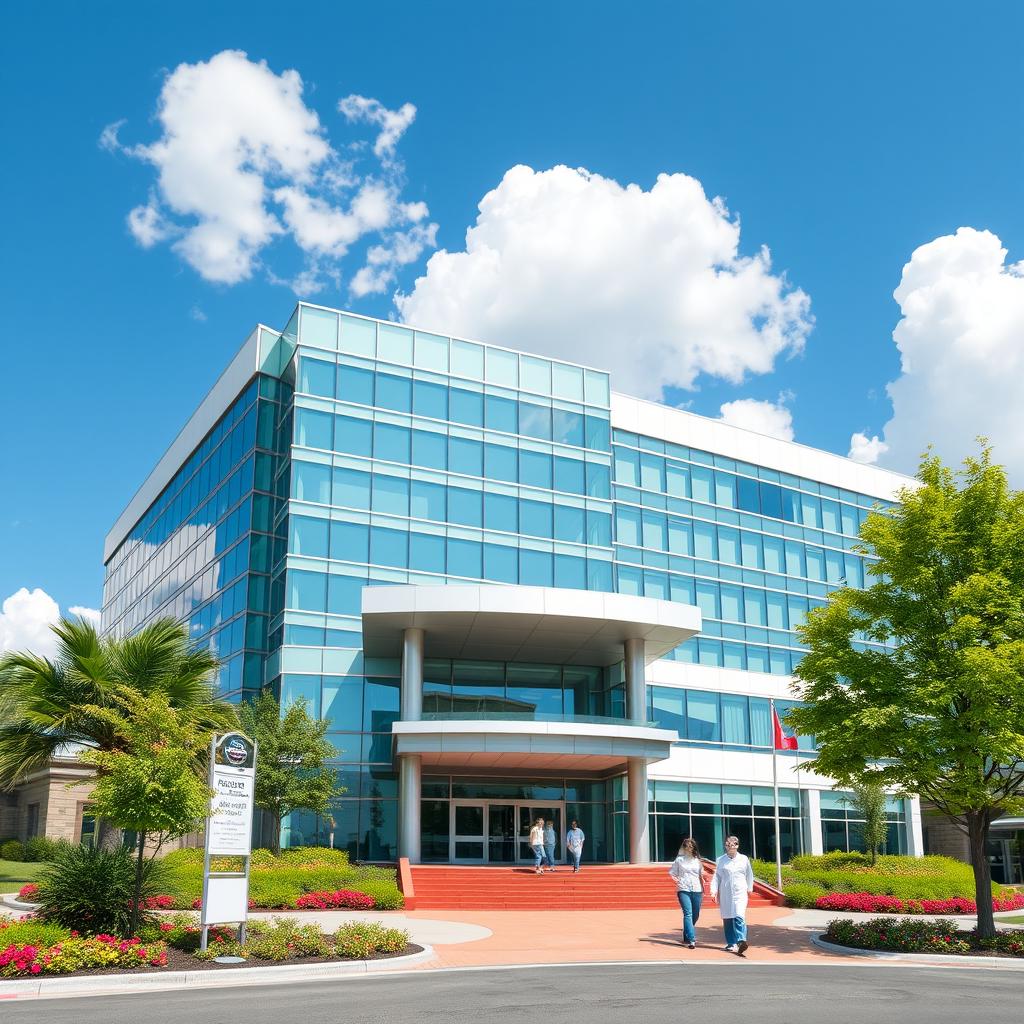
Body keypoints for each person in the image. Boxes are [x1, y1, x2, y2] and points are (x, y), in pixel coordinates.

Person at [710, 834, 754, 955]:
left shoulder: (744, 859)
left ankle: (741, 940)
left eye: (733, 845)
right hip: (726, 893)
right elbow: (717, 877)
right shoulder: (721, 860)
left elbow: (749, 875)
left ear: (737, 846)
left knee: (739, 915)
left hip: (740, 892)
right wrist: (713, 891)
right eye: (728, 845)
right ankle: (731, 943)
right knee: (728, 917)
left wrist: (750, 888)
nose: (730, 847)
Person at [668, 836, 704, 949]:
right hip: (683, 888)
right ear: (683, 848)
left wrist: (704, 887)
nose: (689, 848)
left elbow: (701, 875)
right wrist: (675, 879)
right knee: (688, 913)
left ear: (694, 848)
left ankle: (687, 932)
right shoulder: (679, 860)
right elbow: (672, 872)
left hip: (697, 889)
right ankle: (692, 939)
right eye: (686, 846)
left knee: (696, 914)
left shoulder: (697, 861)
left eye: (691, 846)